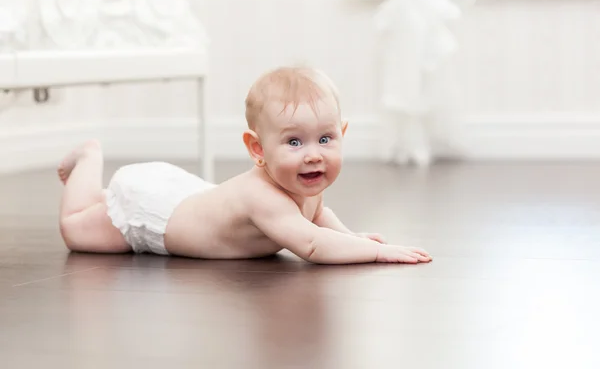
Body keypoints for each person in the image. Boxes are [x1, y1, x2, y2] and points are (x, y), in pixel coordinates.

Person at [57, 66, 432, 264]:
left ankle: (101, 191)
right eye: (294, 142)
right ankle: (89, 157)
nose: (313, 154)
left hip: (189, 199)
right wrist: (378, 252)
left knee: (96, 214)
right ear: (258, 149)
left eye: (325, 139)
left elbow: (319, 217)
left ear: (342, 134)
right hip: (153, 215)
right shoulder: (262, 197)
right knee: (77, 228)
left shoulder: (304, 187)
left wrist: (351, 239)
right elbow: (314, 246)